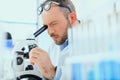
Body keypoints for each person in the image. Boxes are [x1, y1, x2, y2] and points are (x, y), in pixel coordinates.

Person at [29, 0, 80, 80]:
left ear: (72, 18)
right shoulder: (53, 48)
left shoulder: (90, 44)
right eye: (46, 26)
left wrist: (53, 74)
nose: (50, 32)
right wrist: (45, 74)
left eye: (54, 24)